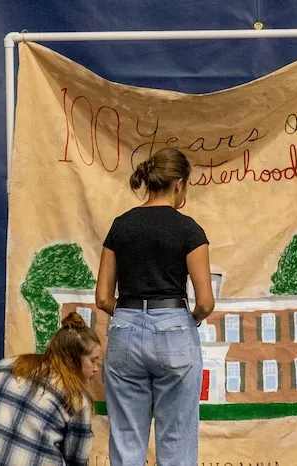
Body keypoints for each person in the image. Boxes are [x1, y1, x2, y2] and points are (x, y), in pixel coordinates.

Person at [96, 147, 215, 466]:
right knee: (176, 441)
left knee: (126, 439)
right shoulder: (189, 230)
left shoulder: (121, 225)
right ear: (179, 183)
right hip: (174, 329)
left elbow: (104, 298)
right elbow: (205, 302)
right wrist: (188, 319)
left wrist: (132, 315)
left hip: (125, 330)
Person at [0, 313, 101, 465]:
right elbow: (77, 457)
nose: (96, 368)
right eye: (93, 361)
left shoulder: (8, 365)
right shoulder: (77, 399)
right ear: (73, 358)